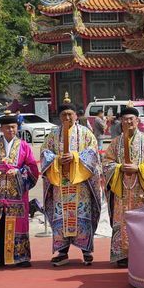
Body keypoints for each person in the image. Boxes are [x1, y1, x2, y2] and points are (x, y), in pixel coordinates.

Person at [40, 94, 103, 267]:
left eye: (70, 114)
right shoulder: (53, 135)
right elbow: (45, 153)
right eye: (64, 115)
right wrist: (57, 159)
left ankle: (86, 250)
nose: (67, 118)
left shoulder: (85, 134)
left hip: (80, 185)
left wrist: (75, 157)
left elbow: (93, 154)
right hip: (60, 185)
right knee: (60, 216)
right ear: (59, 117)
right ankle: (62, 251)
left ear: (76, 115)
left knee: (83, 215)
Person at [0, 110, 39, 269]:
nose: (10, 130)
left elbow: (32, 168)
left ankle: (21, 257)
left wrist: (19, 171)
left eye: (13, 127)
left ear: (17, 128)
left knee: (19, 224)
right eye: (7, 128)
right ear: (1, 129)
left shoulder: (24, 146)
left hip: (17, 193)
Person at [102, 103, 144, 267]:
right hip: (122, 190)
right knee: (122, 219)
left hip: (141, 188)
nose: (128, 122)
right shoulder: (115, 142)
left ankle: (142, 253)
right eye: (125, 120)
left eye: (131, 119)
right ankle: (122, 254)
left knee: (141, 220)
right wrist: (118, 168)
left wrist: (139, 168)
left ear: (137, 120)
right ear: (121, 122)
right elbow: (106, 163)